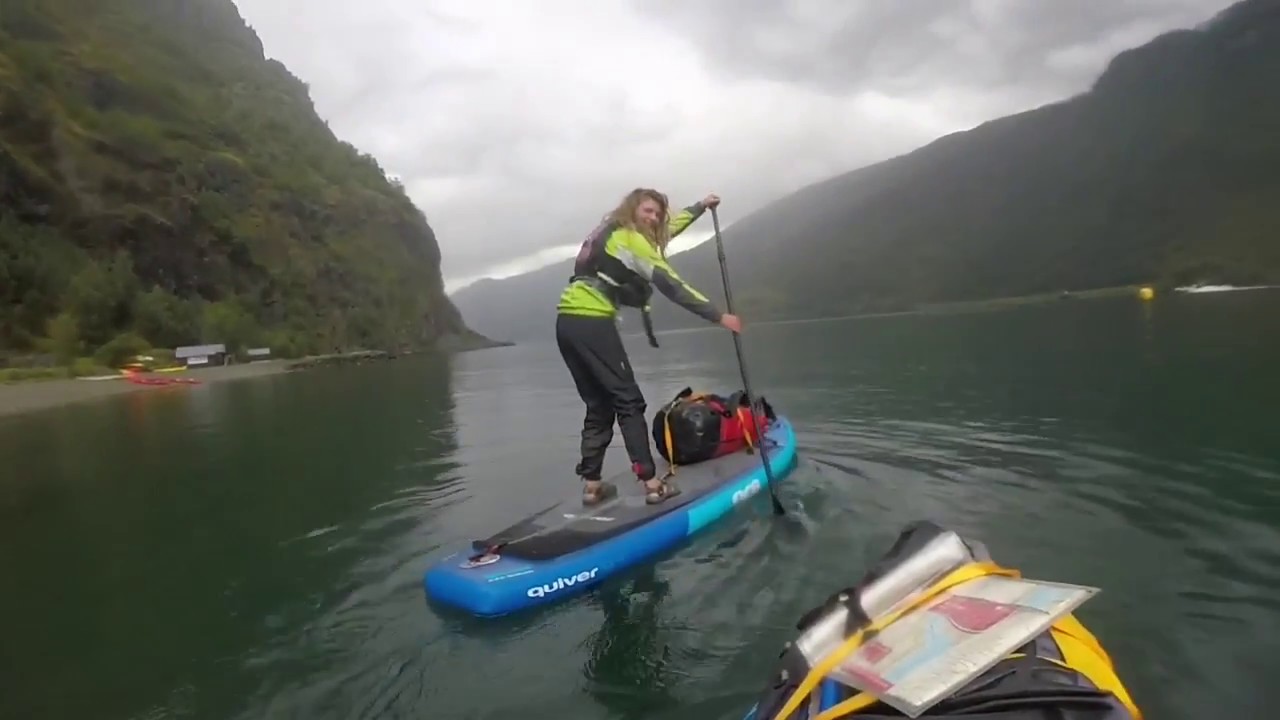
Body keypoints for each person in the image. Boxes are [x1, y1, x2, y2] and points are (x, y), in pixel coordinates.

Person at [556, 188, 742, 507]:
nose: (654, 218)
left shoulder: (610, 232)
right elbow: (670, 283)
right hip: (592, 322)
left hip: (567, 324)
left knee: (599, 404)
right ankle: (653, 484)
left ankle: (592, 485)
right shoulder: (631, 238)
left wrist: (700, 207)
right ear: (632, 210)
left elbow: (666, 231)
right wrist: (717, 315)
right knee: (629, 401)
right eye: (648, 211)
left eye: (657, 213)